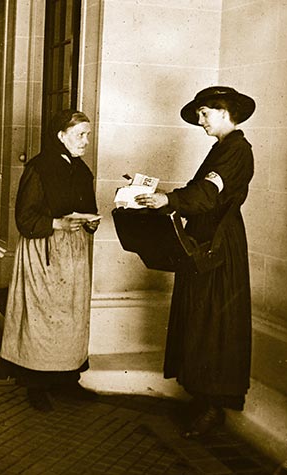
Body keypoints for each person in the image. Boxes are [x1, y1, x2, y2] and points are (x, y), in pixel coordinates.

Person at [135, 86, 255, 437]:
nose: (200, 121)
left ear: (223, 112)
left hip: (219, 244)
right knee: (200, 318)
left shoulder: (236, 150)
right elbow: (198, 191)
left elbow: (205, 195)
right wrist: (163, 198)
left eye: (204, 113)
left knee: (216, 321)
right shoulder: (222, 149)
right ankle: (202, 397)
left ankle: (214, 406)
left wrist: (166, 200)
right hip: (204, 239)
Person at [0, 109, 101, 412]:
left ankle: (67, 379)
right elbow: (25, 218)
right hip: (44, 252)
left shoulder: (82, 170)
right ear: (61, 136)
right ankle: (36, 384)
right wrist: (56, 224)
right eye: (81, 134)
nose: (86, 141)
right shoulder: (39, 168)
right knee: (42, 318)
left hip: (74, 252)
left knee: (71, 317)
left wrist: (91, 222)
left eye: (88, 135)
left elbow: (87, 207)